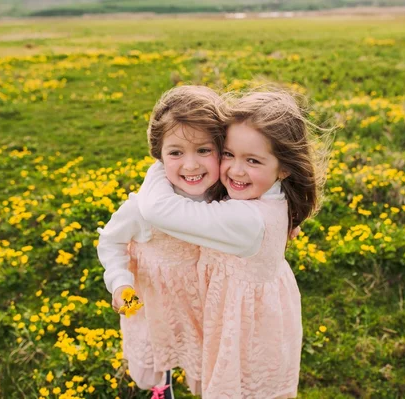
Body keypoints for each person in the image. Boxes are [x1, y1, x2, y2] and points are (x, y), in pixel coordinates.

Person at [136, 90, 328, 398]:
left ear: (284, 167)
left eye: (252, 160)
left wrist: (164, 160)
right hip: (241, 313)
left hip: (246, 330)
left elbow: (156, 209)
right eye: (228, 154)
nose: (235, 170)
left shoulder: (247, 221)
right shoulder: (267, 193)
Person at [98, 85, 256, 397]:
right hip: (159, 303)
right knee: (163, 352)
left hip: (207, 306)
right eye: (175, 153)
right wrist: (119, 282)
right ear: (158, 155)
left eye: (204, 150)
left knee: (205, 361)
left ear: (222, 149)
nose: (191, 165)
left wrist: (289, 220)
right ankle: (163, 387)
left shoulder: (227, 194)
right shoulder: (144, 208)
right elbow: (111, 241)